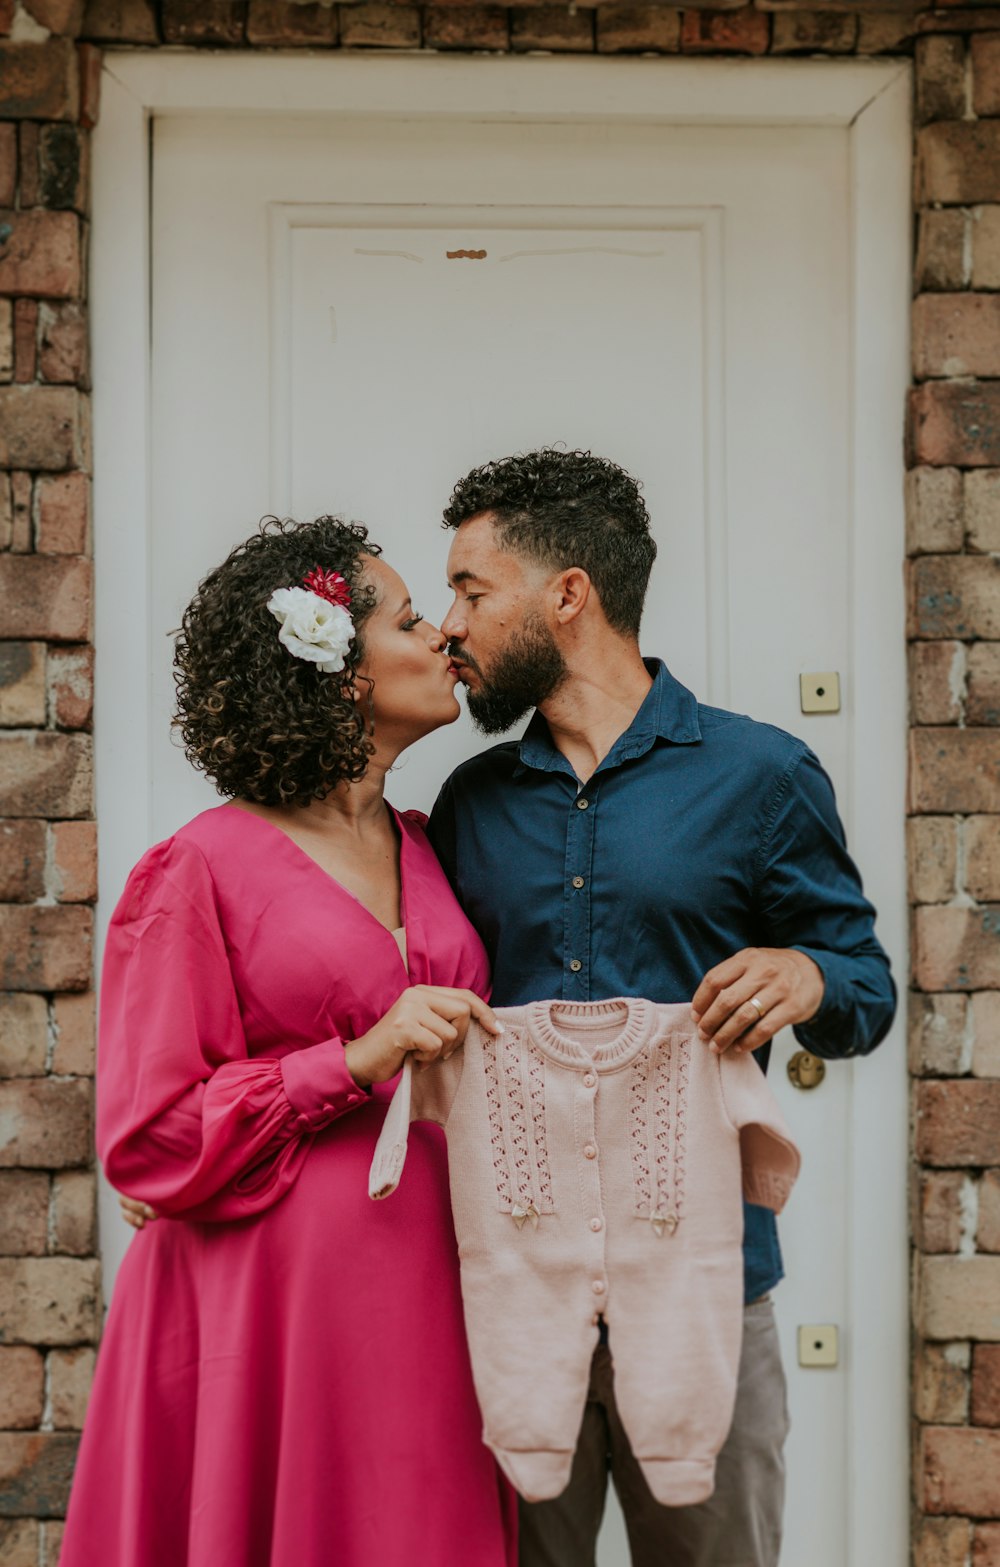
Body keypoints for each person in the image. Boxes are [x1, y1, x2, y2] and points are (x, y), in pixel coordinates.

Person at [426, 448, 896, 1567]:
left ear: (568, 594)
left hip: (710, 1292)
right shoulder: (470, 802)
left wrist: (807, 975)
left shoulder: (762, 774)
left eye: (472, 589)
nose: (451, 623)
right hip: (514, 1298)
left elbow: (865, 990)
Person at [61, 516, 517, 1567]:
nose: (444, 637)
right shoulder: (197, 867)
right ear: (339, 668)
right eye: (408, 619)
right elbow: (150, 1136)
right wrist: (353, 1061)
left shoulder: (429, 843)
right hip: (261, 1306)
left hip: (433, 1291)